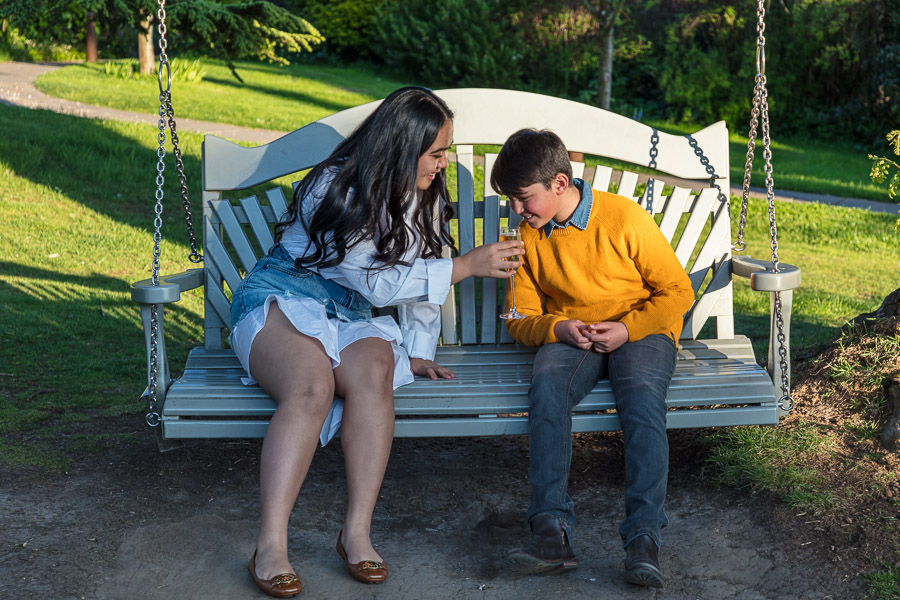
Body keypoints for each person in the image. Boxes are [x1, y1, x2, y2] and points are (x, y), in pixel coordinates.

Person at [229, 86, 524, 598]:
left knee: (373, 374)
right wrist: (465, 266)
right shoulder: (334, 186)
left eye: (446, 150)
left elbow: (420, 273)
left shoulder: (426, 194)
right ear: (400, 148)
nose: (443, 162)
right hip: (282, 296)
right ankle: (271, 544)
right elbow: (377, 281)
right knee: (312, 384)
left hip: (349, 314)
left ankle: (356, 533)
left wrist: (420, 349)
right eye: (435, 153)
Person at [491, 128, 694, 588]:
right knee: (546, 388)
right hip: (572, 334)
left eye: (523, 199)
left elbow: (678, 291)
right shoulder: (527, 236)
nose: (517, 211)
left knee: (642, 400)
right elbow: (520, 316)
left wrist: (627, 328)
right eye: (511, 201)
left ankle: (643, 538)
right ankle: (550, 531)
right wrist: (556, 327)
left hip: (640, 329)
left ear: (560, 184)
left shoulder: (624, 219)